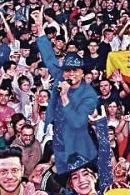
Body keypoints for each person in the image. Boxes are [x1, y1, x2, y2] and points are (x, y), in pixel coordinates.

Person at [34, 13, 100, 174]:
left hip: (78, 144)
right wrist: (40, 28)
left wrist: (64, 97)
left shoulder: (89, 94)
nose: (70, 74)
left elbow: (78, 122)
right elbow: (48, 57)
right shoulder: (59, 76)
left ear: (83, 73)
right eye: (67, 70)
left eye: (75, 71)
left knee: (79, 179)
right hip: (58, 136)